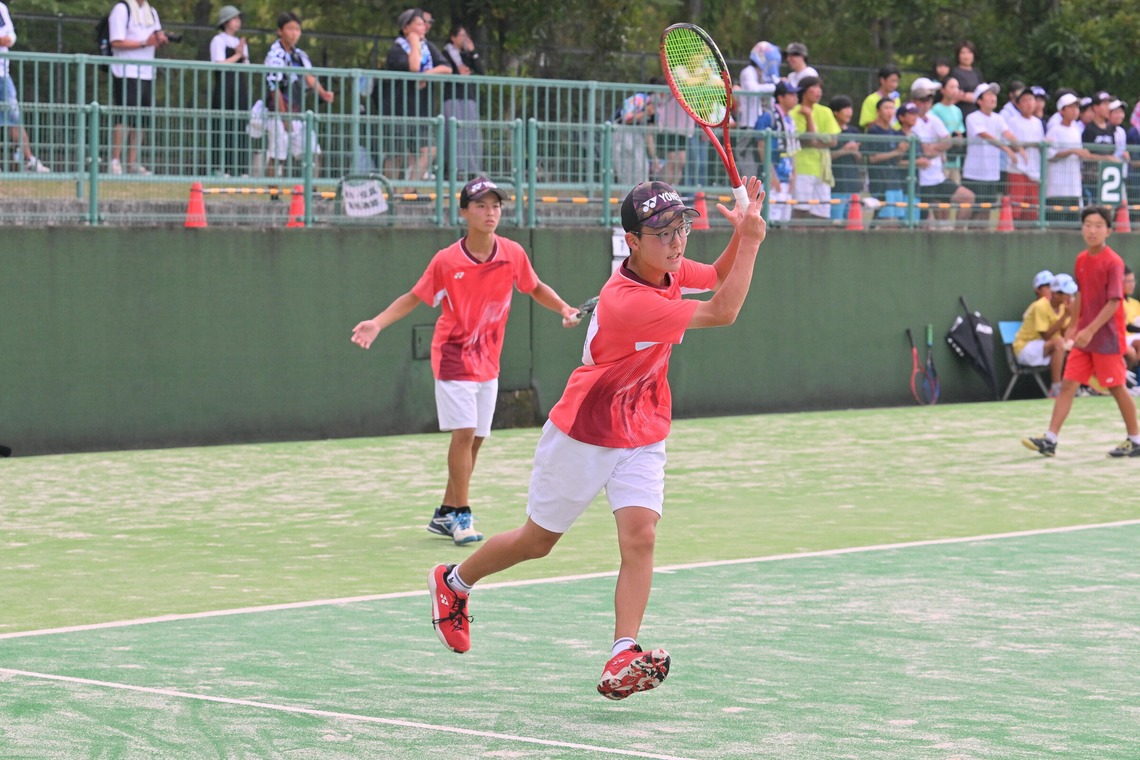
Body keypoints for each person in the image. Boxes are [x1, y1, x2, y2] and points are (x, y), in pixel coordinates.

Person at [426, 176, 767, 701]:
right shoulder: (628, 300)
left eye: (683, 228)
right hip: (585, 430)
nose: (678, 242)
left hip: (644, 423)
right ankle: (454, 583)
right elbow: (724, 309)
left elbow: (717, 275)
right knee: (537, 542)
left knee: (641, 536)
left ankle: (621, 654)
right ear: (633, 242)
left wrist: (740, 237)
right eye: (664, 233)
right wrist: (752, 239)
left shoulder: (668, 269)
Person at [351, 177, 579, 545]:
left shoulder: (512, 253)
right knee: (463, 435)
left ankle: (444, 512)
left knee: (475, 441)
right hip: (454, 356)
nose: (491, 213)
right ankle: (461, 514)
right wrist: (376, 322)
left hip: (488, 359)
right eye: (481, 206)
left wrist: (564, 308)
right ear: (464, 213)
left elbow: (534, 287)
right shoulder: (447, 260)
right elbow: (414, 296)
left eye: (496, 206)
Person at [1023, 205, 1140, 458]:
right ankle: (1050, 440)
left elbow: (1114, 302)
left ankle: (1135, 439)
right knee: (1067, 385)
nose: (1092, 230)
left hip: (1107, 338)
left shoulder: (1114, 262)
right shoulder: (1081, 260)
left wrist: (1091, 330)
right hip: (1085, 338)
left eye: (1099, 226)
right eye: (1088, 225)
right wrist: (1075, 327)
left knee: (1117, 387)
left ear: (1108, 230)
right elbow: (1081, 296)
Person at [378, 8, 453, 181]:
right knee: (395, 154)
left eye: (424, 24)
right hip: (397, 108)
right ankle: (392, 193)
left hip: (421, 109)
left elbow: (446, 68)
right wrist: (413, 42)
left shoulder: (427, 47)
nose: (424, 27)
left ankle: (408, 190)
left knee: (430, 150)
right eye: (418, 24)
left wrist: (427, 74)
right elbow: (413, 67)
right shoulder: (397, 49)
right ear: (406, 28)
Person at [263, 12, 334, 178]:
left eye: (297, 29)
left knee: (313, 152)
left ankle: (312, 190)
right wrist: (284, 116)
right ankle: (274, 193)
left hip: (297, 111)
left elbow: (308, 76)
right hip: (278, 112)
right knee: (277, 154)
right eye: (290, 29)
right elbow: (274, 87)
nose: (294, 33)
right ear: (280, 31)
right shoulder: (275, 56)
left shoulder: (299, 55)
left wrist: (324, 94)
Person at [107, 0, 167, 175]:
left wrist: (160, 39)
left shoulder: (152, 11)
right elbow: (116, 41)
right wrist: (144, 43)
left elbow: (154, 36)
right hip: (125, 70)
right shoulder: (121, 9)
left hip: (147, 72)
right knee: (124, 117)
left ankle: (132, 162)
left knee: (141, 120)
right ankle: (115, 160)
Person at [910, 83, 975, 228]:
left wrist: (933, 149)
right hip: (920, 181)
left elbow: (948, 140)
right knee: (924, 223)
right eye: (922, 100)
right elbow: (921, 149)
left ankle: (955, 237)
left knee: (968, 198)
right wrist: (935, 150)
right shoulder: (910, 120)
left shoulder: (933, 118)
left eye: (929, 100)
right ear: (914, 101)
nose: (926, 104)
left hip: (937, 178)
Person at [962, 82, 1024, 223]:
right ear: (979, 100)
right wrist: (1007, 149)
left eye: (994, 94)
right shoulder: (973, 117)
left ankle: (982, 241)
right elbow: (987, 136)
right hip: (974, 173)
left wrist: (1020, 149)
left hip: (992, 174)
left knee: (986, 211)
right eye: (988, 95)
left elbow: (1008, 134)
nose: (993, 98)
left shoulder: (998, 118)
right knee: (971, 210)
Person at [0, 3, 50, 173]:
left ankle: (28, 159)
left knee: (14, 117)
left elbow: (10, 38)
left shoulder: (1, 8)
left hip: (2, 75)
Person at [1013, 272, 1076, 397]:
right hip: (1025, 349)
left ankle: (1077, 386)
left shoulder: (1064, 307)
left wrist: (1072, 316)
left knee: (1073, 344)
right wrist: (1065, 316)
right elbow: (1046, 336)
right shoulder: (1040, 306)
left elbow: (1064, 333)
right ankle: (1056, 388)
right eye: (1067, 293)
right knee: (1059, 343)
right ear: (1056, 294)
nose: (1070, 296)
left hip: (1045, 347)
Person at [1045, 93, 1102, 226]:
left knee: (1073, 222)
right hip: (1057, 187)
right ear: (1062, 111)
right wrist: (1071, 151)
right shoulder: (1054, 130)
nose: (1075, 110)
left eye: (1076, 107)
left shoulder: (1076, 130)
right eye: (1070, 107)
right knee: (1056, 222)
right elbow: (1049, 155)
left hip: (1073, 185)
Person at [789, 75, 839, 222]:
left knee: (822, 212)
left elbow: (833, 141)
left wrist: (815, 141)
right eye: (815, 87)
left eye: (820, 88)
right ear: (804, 91)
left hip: (823, 170)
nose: (819, 91)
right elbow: (808, 140)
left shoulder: (826, 112)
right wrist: (809, 118)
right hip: (802, 168)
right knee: (801, 210)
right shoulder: (794, 112)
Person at [208, 5, 250, 178]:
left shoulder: (240, 42)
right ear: (226, 22)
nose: (238, 21)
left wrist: (243, 55)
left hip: (239, 87)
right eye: (234, 18)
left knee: (240, 125)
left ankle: (240, 168)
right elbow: (218, 64)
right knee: (222, 125)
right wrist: (237, 56)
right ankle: (220, 167)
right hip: (224, 88)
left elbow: (247, 66)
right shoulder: (218, 40)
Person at [441, 24, 485, 177]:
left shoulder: (467, 55)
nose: (463, 39)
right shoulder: (445, 54)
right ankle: (455, 168)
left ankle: (472, 168)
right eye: (461, 36)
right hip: (453, 97)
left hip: (469, 96)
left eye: (465, 36)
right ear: (453, 37)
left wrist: (473, 52)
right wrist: (457, 72)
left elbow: (480, 70)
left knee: (471, 131)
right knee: (455, 133)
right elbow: (444, 70)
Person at [754, 80, 798, 225]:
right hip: (771, 178)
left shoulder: (790, 119)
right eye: (791, 94)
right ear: (780, 97)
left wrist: (794, 174)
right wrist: (771, 174)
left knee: (784, 219)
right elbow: (761, 145)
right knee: (770, 218)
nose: (795, 98)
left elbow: (792, 149)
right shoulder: (768, 116)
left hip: (787, 176)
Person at [864, 98, 908, 224]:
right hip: (880, 181)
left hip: (895, 181)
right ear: (878, 111)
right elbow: (872, 158)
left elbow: (897, 159)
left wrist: (902, 151)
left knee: (895, 219)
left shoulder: (895, 133)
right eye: (886, 108)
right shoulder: (873, 131)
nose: (889, 111)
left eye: (892, 108)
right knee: (884, 219)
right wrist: (897, 152)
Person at [1004, 86, 1045, 222]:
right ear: (1018, 104)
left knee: (1032, 210)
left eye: (1031, 100)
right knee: (1016, 208)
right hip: (1018, 170)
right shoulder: (1012, 121)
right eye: (1025, 100)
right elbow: (1008, 144)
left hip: (1034, 171)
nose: (1029, 103)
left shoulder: (1038, 123)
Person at [829, 94, 863, 222]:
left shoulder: (854, 131)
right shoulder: (830, 131)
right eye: (845, 108)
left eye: (850, 108)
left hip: (854, 184)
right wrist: (844, 151)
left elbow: (861, 159)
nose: (849, 112)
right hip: (837, 185)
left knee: (853, 223)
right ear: (836, 112)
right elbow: (827, 157)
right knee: (836, 221)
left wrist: (855, 152)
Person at [612, 91, 654, 186]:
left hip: (636, 136)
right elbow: (626, 118)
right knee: (626, 170)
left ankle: (640, 197)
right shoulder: (640, 98)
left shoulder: (656, 107)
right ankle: (628, 197)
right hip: (622, 133)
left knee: (642, 167)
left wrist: (654, 158)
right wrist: (645, 112)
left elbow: (649, 133)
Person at [931, 75, 966, 182]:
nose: (955, 90)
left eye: (957, 87)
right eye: (951, 87)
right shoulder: (936, 109)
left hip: (955, 159)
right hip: (941, 158)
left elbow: (960, 130)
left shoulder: (957, 110)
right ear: (942, 90)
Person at [858, 64, 900, 130]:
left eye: (896, 81)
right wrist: (882, 118)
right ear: (882, 80)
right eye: (892, 81)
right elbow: (867, 125)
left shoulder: (896, 99)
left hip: (894, 137)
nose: (895, 85)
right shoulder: (870, 100)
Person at [949, 40, 984, 118]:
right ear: (958, 55)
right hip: (960, 112)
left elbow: (982, 92)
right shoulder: (954, 73)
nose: (966, 56)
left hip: (977, 112)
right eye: (963, 53)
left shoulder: (977, 73)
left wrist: (972, 97)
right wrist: (966, 96)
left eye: (969, 52)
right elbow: (954, 95)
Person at [1123, 266, 1140, 372]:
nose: (1132, 284)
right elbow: (1126, 327)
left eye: (1133, 281)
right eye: (1128, 281)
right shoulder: (1115, 302)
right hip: (1123, 336)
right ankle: (1134, 377)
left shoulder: (1135, 303)